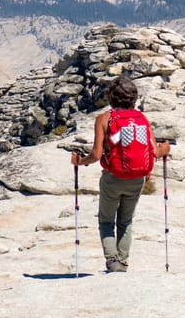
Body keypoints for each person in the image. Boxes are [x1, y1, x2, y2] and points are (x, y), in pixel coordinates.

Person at [71, 75, 170, 273]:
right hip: (137, 178)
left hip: (113, 177)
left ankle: (112, 260)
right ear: (133, 98)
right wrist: (164, 150)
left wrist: (79, 162)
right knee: (126, 220)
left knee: (106, 219)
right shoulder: (141, 119)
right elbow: (153, 151)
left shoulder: (104, 119)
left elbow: (97, 154)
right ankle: (123, 262)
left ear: (111, 97)